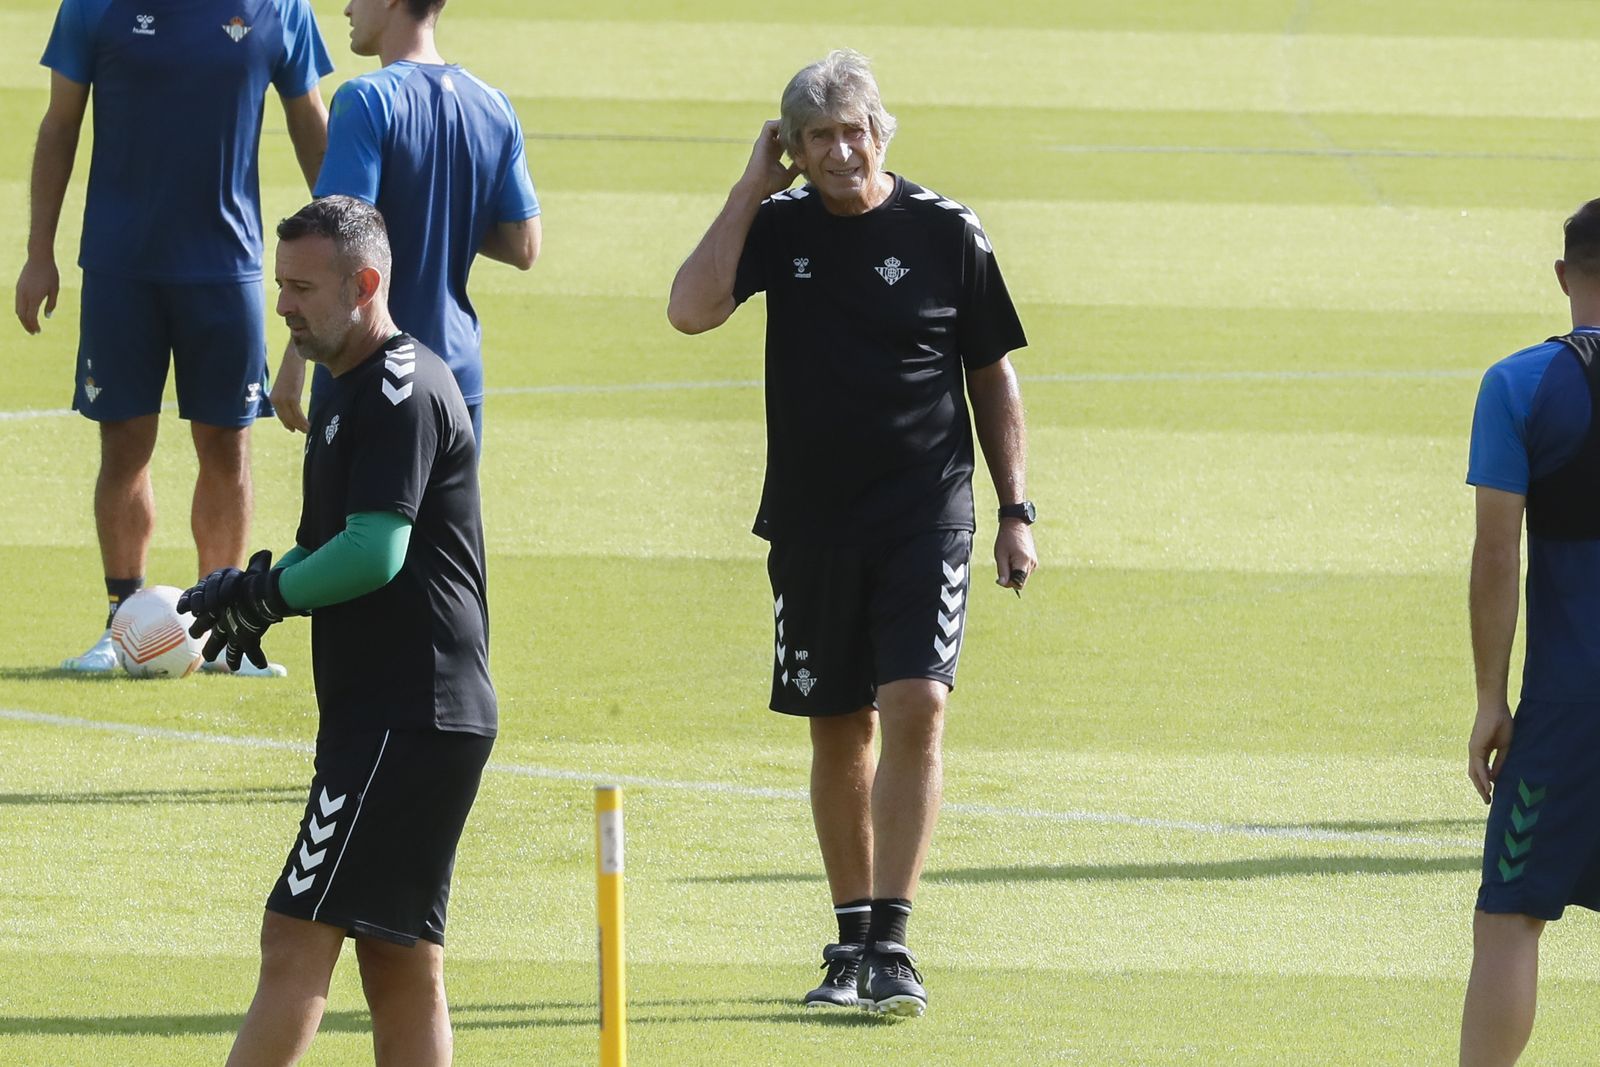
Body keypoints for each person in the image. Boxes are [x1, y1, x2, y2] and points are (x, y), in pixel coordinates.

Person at [667, 49, 1037, 1017]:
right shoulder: (776, 225)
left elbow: (991, 372)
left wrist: (1014, 508)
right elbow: (689, 308)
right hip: (810, 523)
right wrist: (752, 183)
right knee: (840, 726)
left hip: (927, 514)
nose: (840, 152)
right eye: (817, 136)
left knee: (915, 703)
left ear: (885, 132)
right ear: (792, 145)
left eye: (854, 131)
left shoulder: (946, 231)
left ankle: (893, 941)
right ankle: (849, 936)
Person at [181, 196, 495, 1066]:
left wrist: (269, 594)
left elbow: (373, 551)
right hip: (400, 714)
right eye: (280, 285)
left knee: (295, 935)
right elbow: (329, 542)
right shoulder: (343, 380)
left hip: (411, 713)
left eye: (301, 289)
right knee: (399, 960)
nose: (282, 306)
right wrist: (251, 588)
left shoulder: (399, 387)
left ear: (364, 284)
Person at [15, 0, 334, 676]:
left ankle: (224, 628)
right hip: (119, 266)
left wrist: (347, 248)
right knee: (124, 442)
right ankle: (120, 618)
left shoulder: (278, 9)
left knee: (227, 443)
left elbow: (312, 124)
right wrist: (38, 251)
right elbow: (60, 124)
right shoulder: (93, 7)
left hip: (226, 268)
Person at [1460, 198, 1600, 1066]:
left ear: (1563, 276)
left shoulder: (1519, 384)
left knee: (1510, 914)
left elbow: (1495, 555)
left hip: (1568, 706)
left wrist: (1489, 697)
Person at [269, 0, 542, 446]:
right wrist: (443, 209)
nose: (346, 9)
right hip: (457, 372)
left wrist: (297, 358)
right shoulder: (493, 104)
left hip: (369, 368)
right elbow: (523, 246)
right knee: (448, 518)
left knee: (356, 518)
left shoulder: (366, 99)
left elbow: (333, 246)